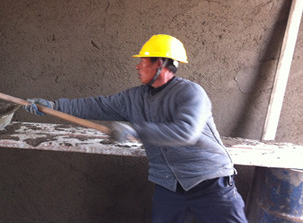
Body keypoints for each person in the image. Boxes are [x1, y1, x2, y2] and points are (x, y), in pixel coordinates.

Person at [24, 34, 248, 223]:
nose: (138, 66)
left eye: (144, 61)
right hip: (168, 184)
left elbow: (186, 132)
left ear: (160, 64)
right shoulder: (133, 97)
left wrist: (135, 131)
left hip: (209, 180)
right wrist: (54, 106)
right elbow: (97, 105)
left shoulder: (190, 93)